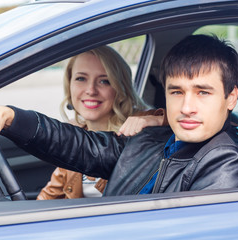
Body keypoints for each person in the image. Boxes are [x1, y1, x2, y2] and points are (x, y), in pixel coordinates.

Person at [0, 34, 238, 196]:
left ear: (231, 97)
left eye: (203, 92)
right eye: (176, 91)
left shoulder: (227, 166)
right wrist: (8, 115)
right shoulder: (152, 141)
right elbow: (81, 145)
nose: (186, 107)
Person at [37, 46, 165, 199]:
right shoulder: (74, 135)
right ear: (69, 84)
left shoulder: (141, 124)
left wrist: (157, 119)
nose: (91, 90)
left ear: (120, 87)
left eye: (104, 81)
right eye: (81, 78)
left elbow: (184, 120)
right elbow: (48, 198)